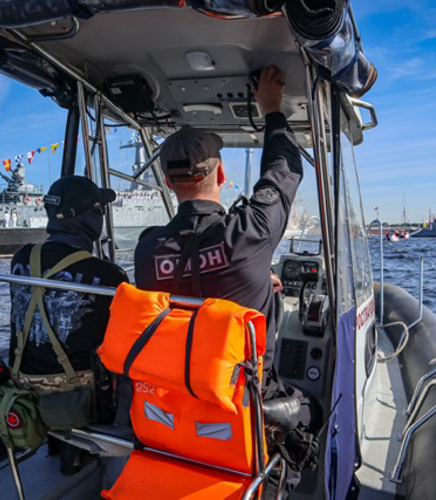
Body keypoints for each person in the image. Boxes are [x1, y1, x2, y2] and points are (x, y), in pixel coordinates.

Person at [134, 67, 316, 492]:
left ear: (167, 181)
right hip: (245, 407)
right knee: (315, 410)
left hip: (172, 405)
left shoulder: (146, 251)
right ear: (219, 176)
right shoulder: (247, 233)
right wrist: (271, 109)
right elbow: (285, 172)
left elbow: (192, 275)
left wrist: (254, 275)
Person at [8, 175, 129, 473]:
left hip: (23, 384)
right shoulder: (109, 276)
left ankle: (60, 446)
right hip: (81, 397)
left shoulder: (21, 258)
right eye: (98, 209)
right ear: (84, 218)